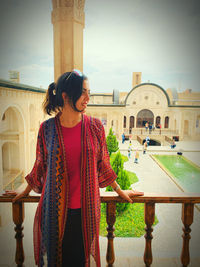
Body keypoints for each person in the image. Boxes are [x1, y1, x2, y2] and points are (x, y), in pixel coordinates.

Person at [4, 69, 144, 267]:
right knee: (56, 261)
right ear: (66, 95)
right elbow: (40, 165)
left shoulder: (95, 127)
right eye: (84, 92)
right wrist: (24, 189)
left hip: (85, 213)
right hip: (54, 211)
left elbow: (103, 164)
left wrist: (119, 190)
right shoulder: (48, 129)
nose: (88, 97)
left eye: (89, 91)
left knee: (79, 260)